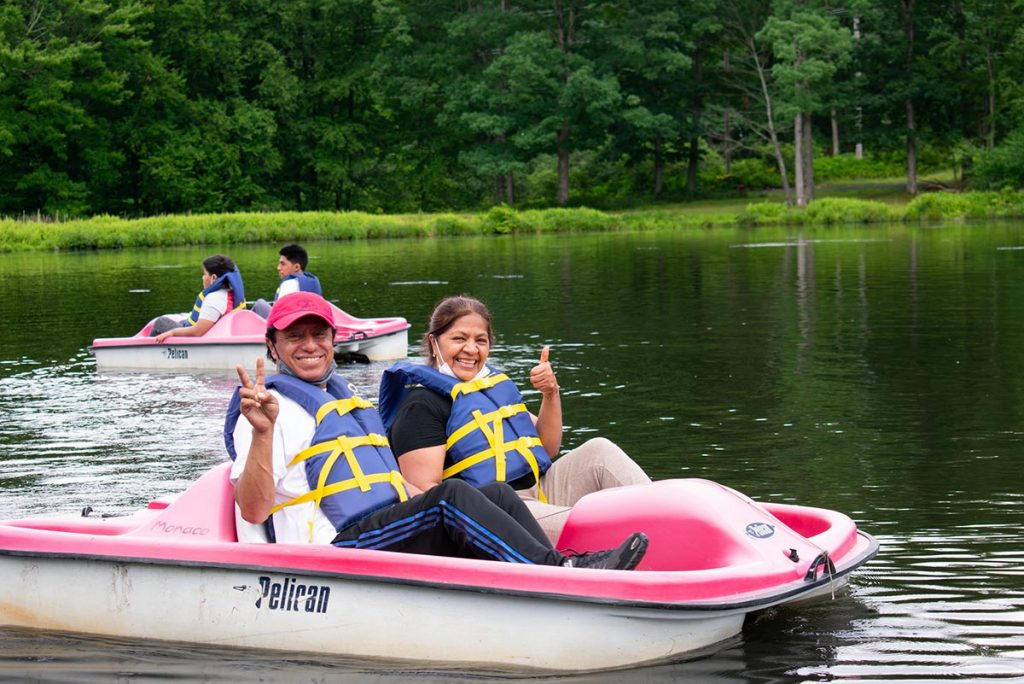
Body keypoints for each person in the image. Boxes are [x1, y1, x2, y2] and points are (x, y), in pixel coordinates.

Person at [225, 292, 648, 570]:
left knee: (496, 493)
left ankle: (557, 566)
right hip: (332, 549)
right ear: (272, 345)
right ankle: (563, 575)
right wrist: (262, 432)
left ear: (334, 340)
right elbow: (254, 510)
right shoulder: (263, 412)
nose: (311, 345)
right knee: (453, 495)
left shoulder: (343, 399)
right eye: (295, 336)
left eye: (320, 334)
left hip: (379, 524)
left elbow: (390, 483)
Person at [378, 295, 653, 544]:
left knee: (599, 450)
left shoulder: (491, 389)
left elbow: (547, 447)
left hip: (540, 488)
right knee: (598, 526)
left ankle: (665, 509)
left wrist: (550, 393)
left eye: (480, 340)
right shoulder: (421, 406)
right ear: (433, 342)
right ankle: (637, 536)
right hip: (497, 511)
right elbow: (429, 496)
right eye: (459, 339)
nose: (471, 350)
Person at [152, 254, 245, 342]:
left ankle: (150, 352)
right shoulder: (230, 293)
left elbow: (197, 332)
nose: (202, 278)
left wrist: (172, 332)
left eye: (204, 274)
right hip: (216, 333)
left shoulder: (215, 298)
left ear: (214, 278)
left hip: (199, 338)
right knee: (181, 321)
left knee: (160, 322)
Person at [250, 244, 323, 319]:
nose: (278, 268)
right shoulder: (313, 281)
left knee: (260, 303)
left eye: (283, 264)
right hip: (309, 324)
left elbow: (278, 315)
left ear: (296, 267)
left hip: (287, 327)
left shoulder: (289, 284)